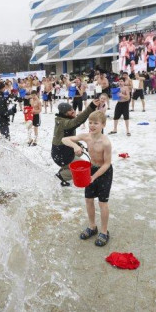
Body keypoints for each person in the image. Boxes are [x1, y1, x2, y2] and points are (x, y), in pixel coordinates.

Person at [62, 110, 113, 247]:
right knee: (89, 200)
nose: (92, 125)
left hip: (104, 172)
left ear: (103, 124)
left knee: (102, 203)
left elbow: (107, 163)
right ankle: (92, 227)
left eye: (95, 123)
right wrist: (74, 146)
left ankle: (104, 231)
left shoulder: (106, 143)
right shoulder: (86, 137)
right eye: (90, 122)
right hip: (90, 170)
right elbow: (64, 139)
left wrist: (94, 177)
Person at [51, 99, 99, 187]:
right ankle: (61, 176)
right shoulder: (64, 123)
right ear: (64, 113)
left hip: (61, 153)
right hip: (62, 155)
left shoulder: (62, 119)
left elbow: (69, 138)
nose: (73, 111)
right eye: (70, 111)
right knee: (84, 168)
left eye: (72, 109)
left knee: (80, 152)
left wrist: (80, 145)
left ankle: (65, 168)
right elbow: (78, 121)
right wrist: (91, 107)